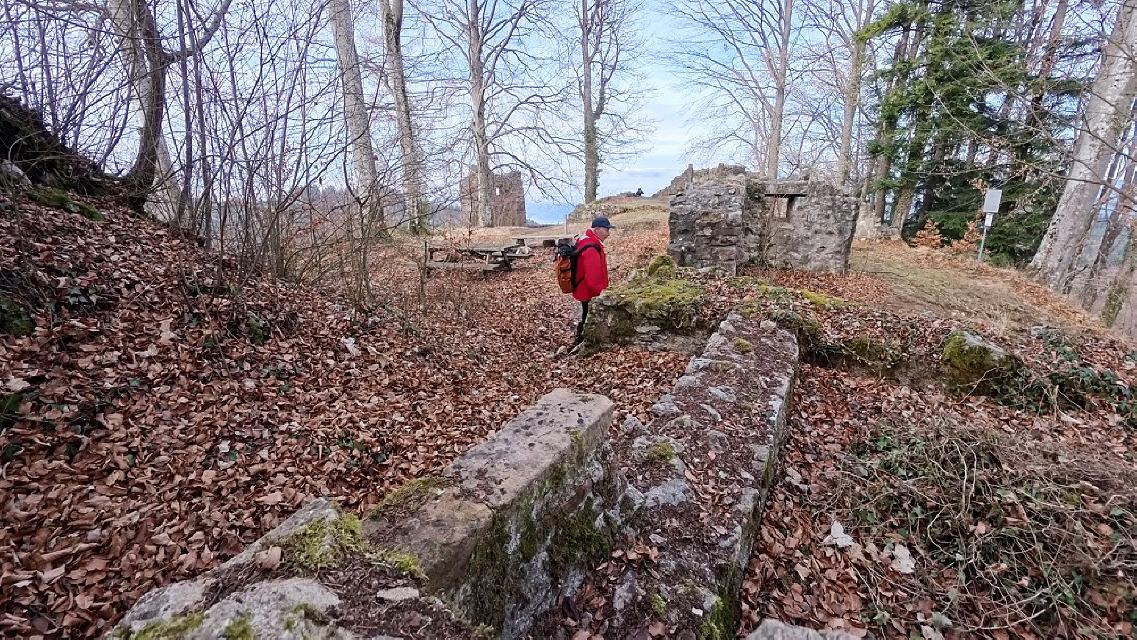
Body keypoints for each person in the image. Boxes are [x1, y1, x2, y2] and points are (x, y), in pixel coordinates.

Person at [572, 216, 614, 347]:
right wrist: (601, 293)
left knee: (586, 313)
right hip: (588, 291)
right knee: (588, 314)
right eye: (606, 230)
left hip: (583, 288)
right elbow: (593, 276)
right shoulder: (591, 247)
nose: (608, 233)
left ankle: (581, 338)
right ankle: (584, 339)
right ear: (596, 230)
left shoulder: (588, 241)